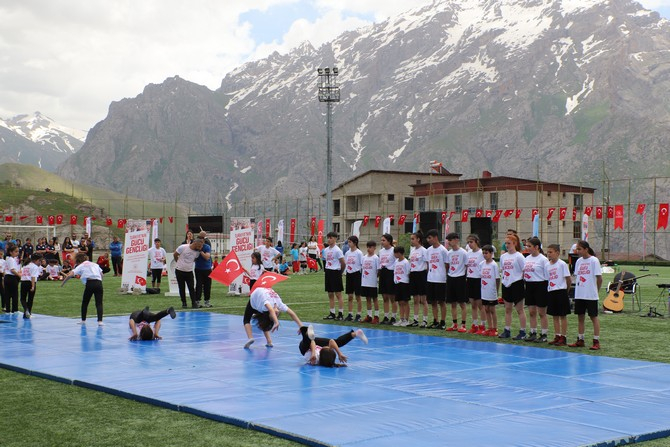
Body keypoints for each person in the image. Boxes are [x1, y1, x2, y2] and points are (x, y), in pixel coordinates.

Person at [569, 240, 602, 350]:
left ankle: (596, 341)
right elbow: (577, 276)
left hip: (591, 295)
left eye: (579, 249)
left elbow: (599, 278)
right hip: (580, 294)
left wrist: (596, 290)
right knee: (580, 317)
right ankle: (580, 339)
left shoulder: (594, 260)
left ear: (586, 249)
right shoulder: (578, 261)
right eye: (577, 249)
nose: (577, 251)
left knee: (593, 317)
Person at [63, 252, 105, 326]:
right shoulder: (95, 264)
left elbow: (70, 274)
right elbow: (101, 274)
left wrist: (63, 283)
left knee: (85, 302)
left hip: (90, 283)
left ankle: (83, 320)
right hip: (98, 283)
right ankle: (100, 321)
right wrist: (100, 281)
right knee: (99, 302)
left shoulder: (81, 265)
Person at [498, 234, 527, 340]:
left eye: (509, 243)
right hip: (506, 283)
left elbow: (524, 270)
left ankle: (523, 331)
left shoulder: (519, 256)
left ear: (515, 244)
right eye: (505, 243)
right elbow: (503, 269)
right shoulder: (503, 256)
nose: (507, 245)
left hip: (516, 283)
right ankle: (507, 330)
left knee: (519, 309)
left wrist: (519, 281)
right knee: (507, 309)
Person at [298, 324, 368, 367]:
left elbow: (312, 342)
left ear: (322, 351)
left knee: (306, 344)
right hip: (313, 343)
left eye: (327, 347)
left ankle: (306, 333)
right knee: (337, 343)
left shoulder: (315, 359)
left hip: (306, 347)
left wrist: (313, 354)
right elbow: (332, 341)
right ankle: (355, 333)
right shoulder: (325, 356)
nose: (327, 346)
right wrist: (339, 353)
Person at [523, 237, 550, 342]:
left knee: (542, 312)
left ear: (536, 247)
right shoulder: (527, 258)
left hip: (540, 286)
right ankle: (533, 332)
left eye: (529, 246)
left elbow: (547, 275)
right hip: (529, 286)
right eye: (527, 246)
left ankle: (544, 334)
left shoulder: (543, 259)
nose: (527, 248)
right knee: (531, 311)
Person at [546, 244, 571, 346]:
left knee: (562, 315)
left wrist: (566, 291)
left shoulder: (562, 264)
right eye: (548, 252)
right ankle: (557, 335)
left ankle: (563, 337)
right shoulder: (547, 265)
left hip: (561, 291)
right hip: (551, 291)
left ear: (557, 253)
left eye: (551, 252)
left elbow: (568, 279)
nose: (549, 254)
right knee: (554, 315)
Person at [445, 233, 469, 333]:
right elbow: (447, 265)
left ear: (456, 240)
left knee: (462, 303)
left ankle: (463, 324)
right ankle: (454, 324)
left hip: (460, 278)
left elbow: (467, 266)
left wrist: (464, 277)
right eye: (448, 240)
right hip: (451, 278)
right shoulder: (449, 253)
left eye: (450, 240)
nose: (449, 242)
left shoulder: (463, 252)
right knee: (452, 303)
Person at [426, 229, 448, 329]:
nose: (428, 240)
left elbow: (447, 264)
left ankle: (442, 322)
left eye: (430, 238)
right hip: (431, 279)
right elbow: (428, 264)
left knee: (441, 301)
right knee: (433, 301)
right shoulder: (428, 250)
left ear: (435, 237)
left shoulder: (443, 250)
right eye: (427, 238)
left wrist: (444, 275)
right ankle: (435, 320)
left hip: (440, 279)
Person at [173, 238, 204, 309]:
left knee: (191, 288)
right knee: (181, 287)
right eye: (199, 246)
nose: (200, 248)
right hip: (179, 270)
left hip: (189, 271)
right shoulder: (183, 247)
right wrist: (178, 262)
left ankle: (194, 302)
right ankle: (184, 302)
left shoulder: (197, 252)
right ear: (195, 243)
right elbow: (175, 254)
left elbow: (195, 259)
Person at [322, 232, 346, 321]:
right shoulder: (326, 250)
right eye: (328, 238)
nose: (329, 239)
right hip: (328, 271)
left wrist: (340, 272)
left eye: (331, 238)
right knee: (330, 293)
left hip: (335, 271)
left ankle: (340, 313)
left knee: (338, 294)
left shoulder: (337, 250)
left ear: (335, 239)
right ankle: (332, 313)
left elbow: (343, 263)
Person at [465, 234, 485, 334]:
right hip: (470, 279)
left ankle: (483, 325)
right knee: (473, 304)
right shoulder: (468, 253)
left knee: (480, 305)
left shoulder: (482, 253)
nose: (469, 244)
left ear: (476, 241)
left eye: (471, 242)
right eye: (468, 242)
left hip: (479, 279)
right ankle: (475, 325)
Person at [408, 231, 429, 328]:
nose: (411, 241)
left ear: (418, 239)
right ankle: (415, 319)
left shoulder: (424, 250)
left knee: (423, 300)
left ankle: (425, 320)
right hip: (413, 274)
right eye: (411, 239)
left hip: (421, 274)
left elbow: (427, 264)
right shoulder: (412, 250)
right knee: (415, 299)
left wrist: (426, 275)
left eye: (413, 239)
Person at [479, 245, 500, 336]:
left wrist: (496, 290)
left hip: (491, 290)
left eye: (486, 253)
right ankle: (489, 327)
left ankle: (495, 328)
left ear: (491, 253)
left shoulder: (494, 265)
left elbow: (497, 278)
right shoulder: (481, 264)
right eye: (483, 253)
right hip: (484, 290)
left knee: (492, 309)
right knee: (486, 309)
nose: (484, 255)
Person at [378, 233, 397, 324]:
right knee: (385, 296)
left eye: (384, 240)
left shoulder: (393, 250)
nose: (382, 242)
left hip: (391, 273)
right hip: (383, 272)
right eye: (381, 240)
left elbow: (397, 262)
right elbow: (379, 262)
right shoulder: (381, 251)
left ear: (389, 241)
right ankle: (386, 316)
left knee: (392, 297)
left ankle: (393, 317)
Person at [360, 240, 381, 324]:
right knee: (367, 298)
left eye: (370, 247)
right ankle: (369, 316)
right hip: (365, 281)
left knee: (374, 299)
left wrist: (375, 278)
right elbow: (363, 268)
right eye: (368, 247)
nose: (369, 249)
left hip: (372, 282)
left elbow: (378, 270)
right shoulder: (364, 257)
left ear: (374, 248)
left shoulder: (376, 258)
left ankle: (376, 316)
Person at [344, 236, 363, 322]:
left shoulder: (359, 253)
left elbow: (361, 264)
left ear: (355, 243)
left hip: (357, 274)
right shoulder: (347, 253)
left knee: (358, 296)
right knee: (350, 296)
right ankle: (350, 314)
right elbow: (346, 263)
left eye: (350, 242)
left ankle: (358, 314)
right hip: (349, 274)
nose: (349, 243)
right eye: (348, 242)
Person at [392, 246, 411, 326]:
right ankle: (401, 318)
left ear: (399, 253)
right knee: (400, 302)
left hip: (404, 283)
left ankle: (406, 319)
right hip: (397, 283)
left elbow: (408, 273)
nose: (394, 254)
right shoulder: (396, 261)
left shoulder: (406, 262)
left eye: (395, 253)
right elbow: (395, 271)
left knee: (405, 301)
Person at [20, 253, 43, 319]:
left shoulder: (25, 265)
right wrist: (33, 286)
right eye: (39, 261)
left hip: (24, 282)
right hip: (31, 283)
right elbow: (33, 277)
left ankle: (26, 311)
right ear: (36, 260)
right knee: (30, 299)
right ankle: (28, 311)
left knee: (22, 298)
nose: (40, 263)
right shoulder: (35, 267)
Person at [194, 231, 213, 308]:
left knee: (207, 286)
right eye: (199, 242)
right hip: (198, 269)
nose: (200, 243)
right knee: (199, 285)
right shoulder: (195, 247)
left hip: (207, 269)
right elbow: (193, 258)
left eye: (202, 242)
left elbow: (207, 257)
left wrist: (200, 251)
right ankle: (197, 301)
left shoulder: (207, 247)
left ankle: (207, 301)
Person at [3, 243, 21, 313]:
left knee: (7, 294)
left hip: (7, 277)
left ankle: (8, 310)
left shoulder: (8, 259)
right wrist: (19, 275)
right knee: (14, 294)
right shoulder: (11, 259)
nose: (17, 253)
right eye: (16, 251)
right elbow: (12, 270)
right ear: (11, 252)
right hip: (11, 277)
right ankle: (15, 309)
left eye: (18, 251)